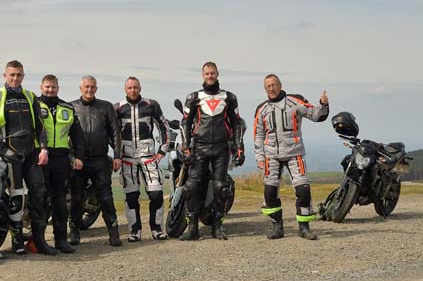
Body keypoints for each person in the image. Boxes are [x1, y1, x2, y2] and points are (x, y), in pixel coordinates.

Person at [0, 60, 58, 255]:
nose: (15, 78)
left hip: (31, 153)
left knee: (39, 195)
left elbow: (40, 126)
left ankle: (39, 241)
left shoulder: (30, 96)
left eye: (19, 75)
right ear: (5, 76)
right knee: (15, 196)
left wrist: (44, 149)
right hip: (8, 153)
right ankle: (16, 241)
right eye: (12, 75)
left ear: (23, 76)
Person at [253, 74, 329, 240]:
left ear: (280, 85)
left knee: (303, 190)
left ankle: (304, 228)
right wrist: (259, 156)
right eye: (267, 86)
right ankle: (277, 227)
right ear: (265, 89)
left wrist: (323, 105)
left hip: (295, 153)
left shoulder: (295, 101)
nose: (271, 88)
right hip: (271, 156)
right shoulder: (261, 109)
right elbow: (258, 134)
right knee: (269, 192)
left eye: (273, 85)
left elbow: (316, 115)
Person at [180, 62, 244, 241]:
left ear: (217, 74)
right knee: (191, 187)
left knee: (220, 188)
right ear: (202, 75)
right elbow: (185, 122)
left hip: (221, 148)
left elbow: (236, 123)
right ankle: (193, 228)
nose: (210, 76)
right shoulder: (193, 97)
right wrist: (186, 147)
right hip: (199, 146)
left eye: (212, 73)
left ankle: (218, 226)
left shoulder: (229, 97)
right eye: (207, 73)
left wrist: (239, 147)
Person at [69, 75, 123, 247]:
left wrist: (117, 156)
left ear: (96, 89)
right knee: (76, 198)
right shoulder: (71, 107)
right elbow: (65, 134)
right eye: (86, 87)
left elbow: (115, 133)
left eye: (92, 87)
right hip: (79, 161)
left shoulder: (106, 107)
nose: (89, 90)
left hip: (100, 159)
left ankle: (114, 233)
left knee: (106, 198)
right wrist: (72, 157)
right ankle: (75, 232)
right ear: (80, 88)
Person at [114, 77, 170, 242]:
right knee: (131, 196)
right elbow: (111, 132)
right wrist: (117, 154)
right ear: (125, 89)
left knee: (156, 194)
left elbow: (163, 126)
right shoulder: (117, 108)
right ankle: (134, 231)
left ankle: (157, 228)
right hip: (127, 158)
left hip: (149, 156)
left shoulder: (151, 105)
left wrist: (162, 151)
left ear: (140, 88)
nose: (133, 90)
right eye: (130, 88)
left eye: (135, 87)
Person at [37, 74, 85, 254]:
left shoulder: (67, 108)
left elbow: (77, 135)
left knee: (60, 201)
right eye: (47, 87)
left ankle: (61, 240)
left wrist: (79, 156)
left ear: (58, 88)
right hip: (41, 158)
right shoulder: (35, 105)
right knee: (40, 200)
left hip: (61, 158)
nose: (50, 90)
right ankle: (40, 242)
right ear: (41, 87)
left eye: (53, 87)